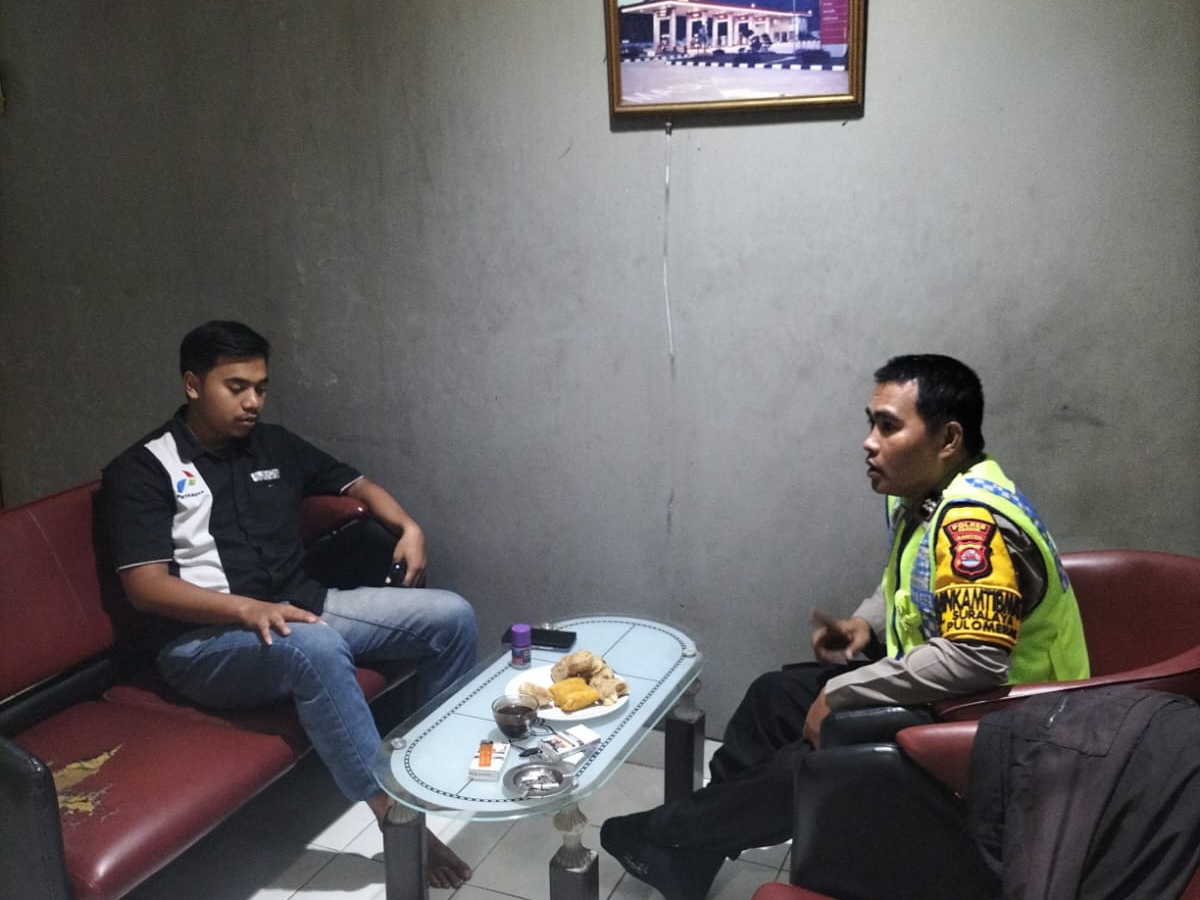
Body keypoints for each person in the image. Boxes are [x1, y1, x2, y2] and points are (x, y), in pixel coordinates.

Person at [600, 354, 1090, 900]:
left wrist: (842, 691)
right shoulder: (927, 495)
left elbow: (976, 656)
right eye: (871, 423)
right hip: (949, 691)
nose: (868, 442)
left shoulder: (973, 523)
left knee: (818, 753)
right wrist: (865, 623)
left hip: (1002, 720)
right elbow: (911, 580)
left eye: (889, 426)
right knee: (772, 699)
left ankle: (666, 834)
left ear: (948, 439)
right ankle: (690, 856)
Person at [101, 320, 478, 890]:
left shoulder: (273, 444)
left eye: (260, 387)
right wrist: (246, 610)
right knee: (313, 647)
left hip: (303, 607)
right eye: (236, 387)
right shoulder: (145, 469)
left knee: (451, 616)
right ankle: (395, 816)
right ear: (193, 384)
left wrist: (408, 526)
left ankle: (429, 767)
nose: (252, 401)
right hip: (204, 643)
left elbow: (356, 484)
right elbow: (145, 586)